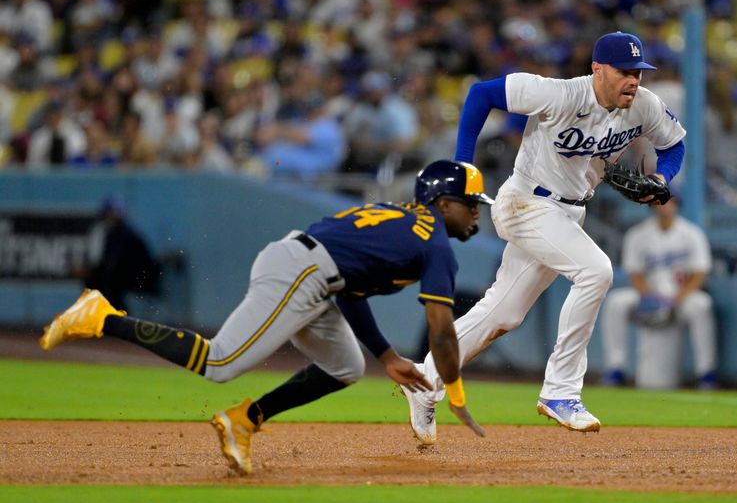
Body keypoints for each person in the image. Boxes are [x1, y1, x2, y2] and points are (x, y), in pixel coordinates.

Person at [39, 159, 492, 475]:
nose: (476, 213)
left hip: (314, 272)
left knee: (347, 367)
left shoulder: (403, 221)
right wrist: (452, 391)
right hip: (304, 271)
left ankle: (244, 420)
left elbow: (353, 292)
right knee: (220, 363)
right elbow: (441, 333)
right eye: (471, 202)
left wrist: (386, 355)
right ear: (444, 202)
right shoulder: (435, 245)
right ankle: (100, 316)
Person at [401, 31, 687, 444]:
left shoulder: (643, 105)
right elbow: (481, 94)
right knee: (596, 271)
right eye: (624, 71)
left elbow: (675, 145)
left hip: (570, 212)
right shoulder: (559, 94)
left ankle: (424, 382)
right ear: (597, 69)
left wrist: (662, 178)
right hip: (526, 204)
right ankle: (561, 392)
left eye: (638, 72)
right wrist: (463, 164)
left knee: (503, 314)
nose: (634, 80)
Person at [600, 197, 717, 389]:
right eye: (660, 201)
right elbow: (635, 274)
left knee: (702, 305)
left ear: (677, 204)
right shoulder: (638, 234)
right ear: (652, 205)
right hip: (649, 296)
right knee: (616, 302)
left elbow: (699, 273)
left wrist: (679, 297)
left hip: (682, 296)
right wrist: (650, 297)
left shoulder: (692, 233)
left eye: (669, 201)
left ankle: (706, 372)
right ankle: (616, 368)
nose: (664, 205)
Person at [77, 196, 160, 311]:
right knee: (95, 281)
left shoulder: (126, 234)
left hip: (138, 278)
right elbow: (98, 260)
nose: (113, 217)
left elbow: (120, 262)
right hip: (118, 277)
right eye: (110, 213)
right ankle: (104, 314)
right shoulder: (102, 230)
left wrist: (96, 270)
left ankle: (117, 315)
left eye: (115, 214)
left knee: (110, 282)